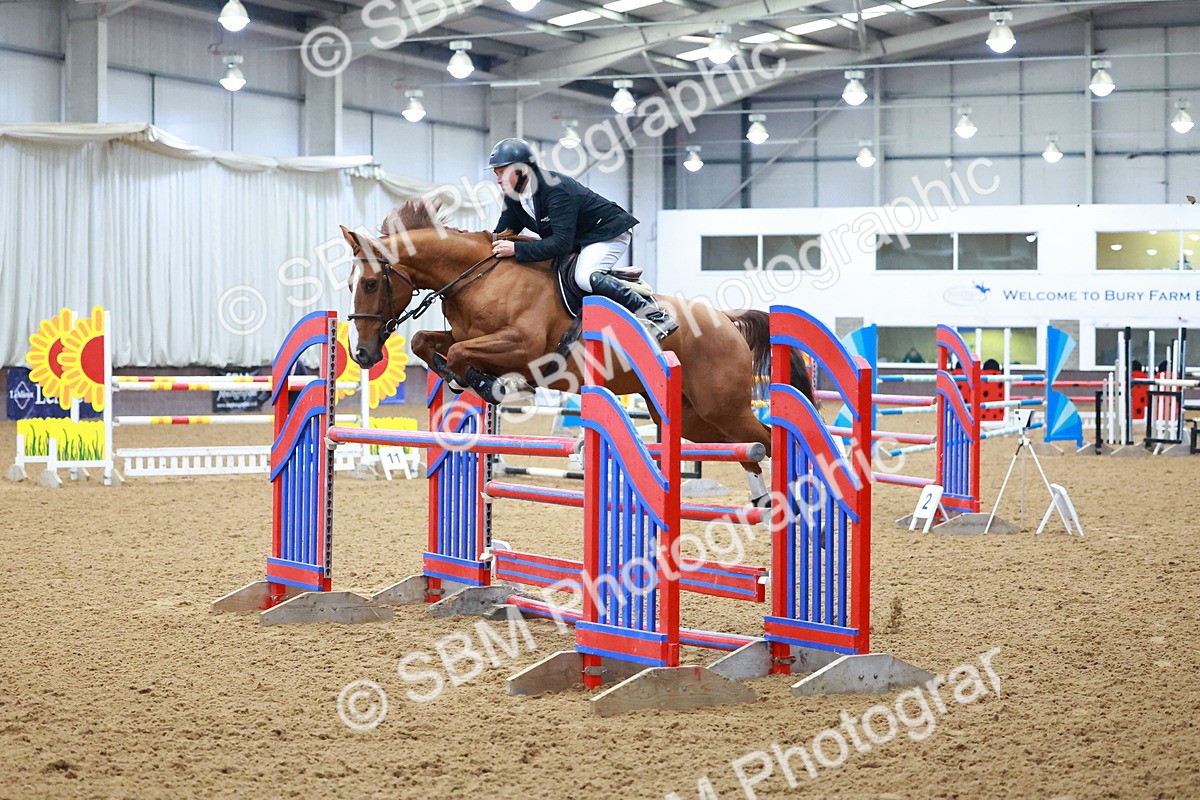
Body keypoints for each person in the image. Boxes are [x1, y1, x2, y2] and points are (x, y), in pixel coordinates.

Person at [486, 138, 678, 340]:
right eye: (496, 174)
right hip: (578, 239)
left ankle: (654, 316)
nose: (498, 180)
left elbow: (561, 243)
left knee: (584, 276)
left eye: (502, 172)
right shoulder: (513, 196)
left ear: (523, 169)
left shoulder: (555, 188)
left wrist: (517, 249)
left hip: (606, 231)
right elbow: (502, 233)